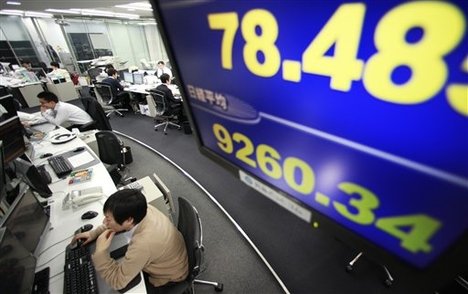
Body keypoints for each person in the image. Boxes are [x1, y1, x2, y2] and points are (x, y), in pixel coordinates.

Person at [73, 189, 189, 291]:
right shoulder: (142, 209)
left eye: (108, 219)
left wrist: (100, 253)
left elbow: (117, 282)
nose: (104, 222)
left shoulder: (143, 243)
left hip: (170, 277)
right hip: (171, 257)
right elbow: (119, 220)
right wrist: (94, 233)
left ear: (129, 221)